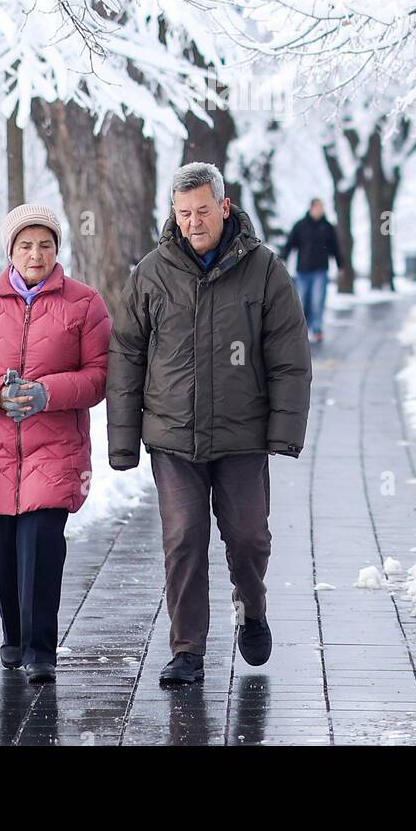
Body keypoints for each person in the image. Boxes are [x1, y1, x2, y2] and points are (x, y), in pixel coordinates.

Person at [107, 162, 311, 686]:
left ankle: (253, 608)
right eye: (183, 213)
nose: (193, 222)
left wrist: (283, 431)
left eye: (201, 211)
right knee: (184, 539)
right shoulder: (151, 272)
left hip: (242, 434)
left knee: (247, 538)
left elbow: (289, 355)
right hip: (173, 437)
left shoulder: (264, 269)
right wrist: (124, 440)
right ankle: (187, 651)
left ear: (223, 206)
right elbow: (127, 355)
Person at [0, 203, 111, 685]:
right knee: (1, 553)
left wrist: (46, 393)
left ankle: (41, 650)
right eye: (26, 245)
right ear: (10, 250)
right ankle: (13, 635)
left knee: (40, 548)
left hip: (54, 448)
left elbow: (99, 377)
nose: (36, 254)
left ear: (58, 248)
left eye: (46, 244)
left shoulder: (85, 303)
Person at [281, 198, 343, 342]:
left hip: (320, 270)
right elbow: (290, 243)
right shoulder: (301, 225)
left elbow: (335, 248)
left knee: (318, 300)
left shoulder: (327, 227)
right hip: (303, 270)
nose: (320, 210)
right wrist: (283, 258)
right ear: (311, 208)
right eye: (318, 207)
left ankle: (317, 328)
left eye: (322, 207)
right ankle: (302, 329)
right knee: (302, 301)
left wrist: (341, 265)